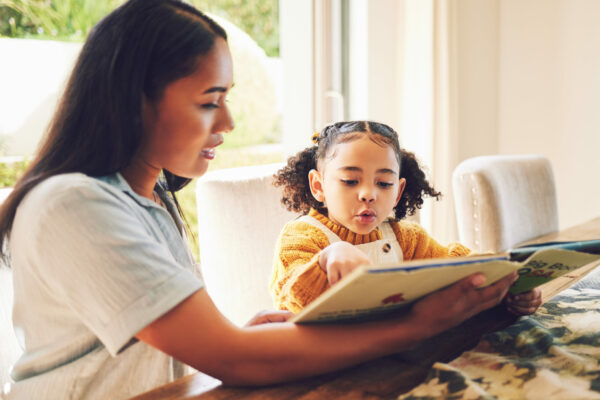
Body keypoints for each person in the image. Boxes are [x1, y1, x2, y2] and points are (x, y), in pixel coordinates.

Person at [0, 1, 520, 399]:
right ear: (134, 100)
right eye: (210, 102)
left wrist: (227, 340)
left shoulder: (149, 198)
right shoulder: (74, 205)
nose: (227, 123)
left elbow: (178, 352)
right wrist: (417, 325)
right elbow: (240, 362)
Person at [270, 121, 542, 315]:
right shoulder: (302, 237)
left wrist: (508, 282)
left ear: (398, 191)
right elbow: (295, 300)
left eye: (384, 184)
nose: (368, 194)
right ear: (318, 186)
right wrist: (327, 257)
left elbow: (456, 267)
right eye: (351, 181)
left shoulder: (405, 238)